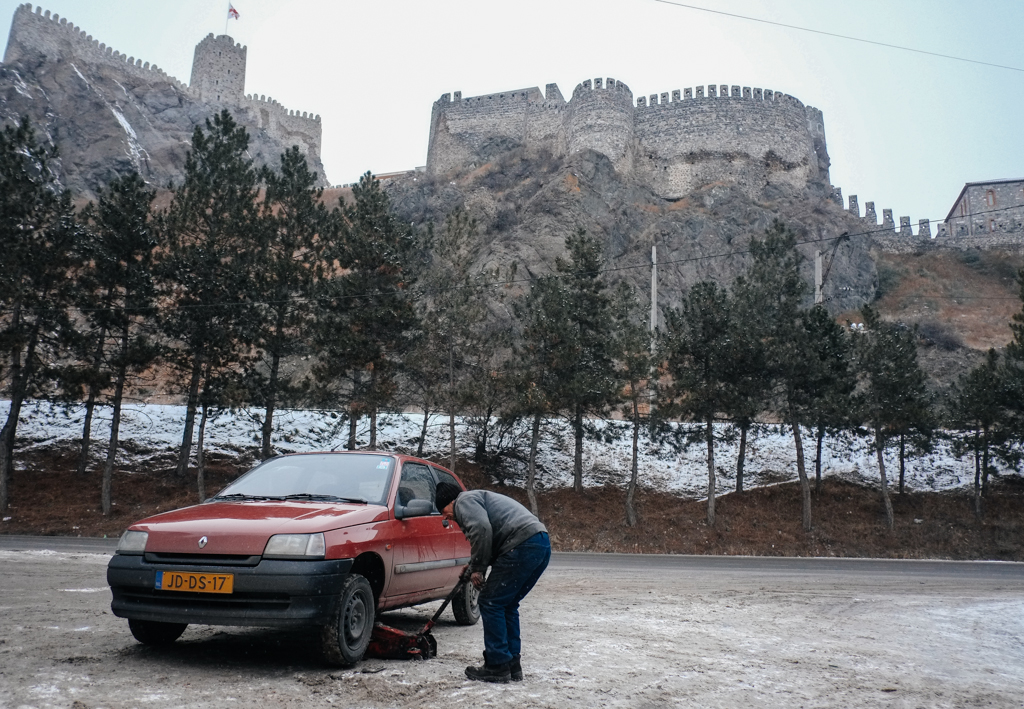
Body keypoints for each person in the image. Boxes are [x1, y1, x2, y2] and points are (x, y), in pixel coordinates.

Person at [435, 482, 550, 683]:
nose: (445, 517)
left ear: (450, 502)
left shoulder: (464, 501)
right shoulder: (477, 499)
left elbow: (481, 530)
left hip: (522, 545)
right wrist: (472, 567)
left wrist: (478, 569)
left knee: (490, 602)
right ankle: (512, 664)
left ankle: (497, 665)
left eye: (442, 511)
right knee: (507, 604)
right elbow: (488, 538)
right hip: (539, 543)